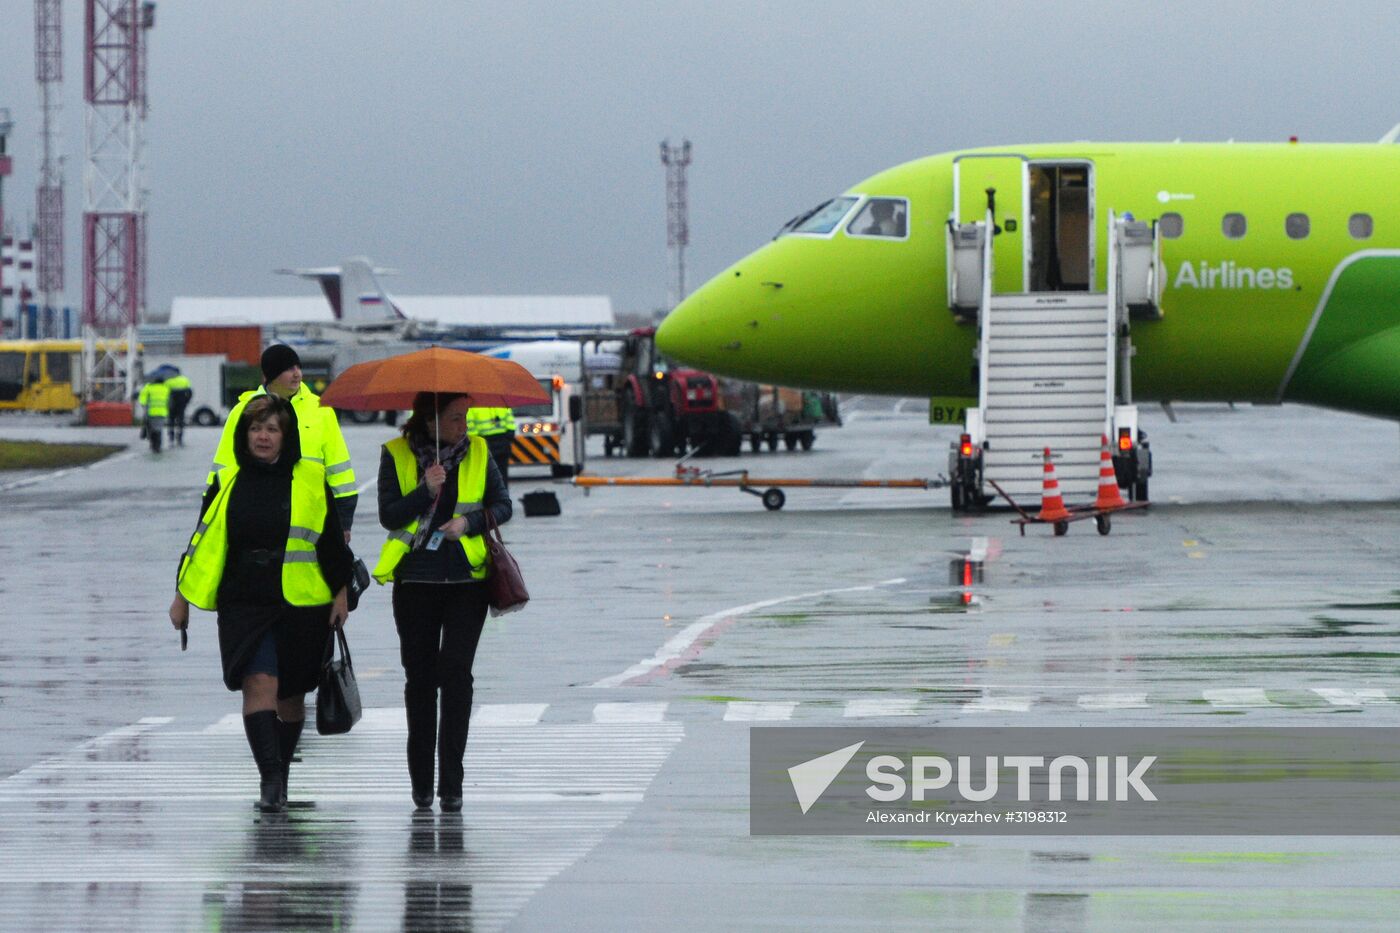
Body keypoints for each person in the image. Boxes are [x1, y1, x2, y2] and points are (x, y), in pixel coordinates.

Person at [169, 395, 352, 812]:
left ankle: (281, 771)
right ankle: (269, 779)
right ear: (243, 434)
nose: (263, 436)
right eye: (255, 428)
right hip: (244, 601)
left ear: (285, 436)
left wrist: (340, 592)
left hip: (302, 602)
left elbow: (330, 541)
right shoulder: (228, 480)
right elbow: (202, 539)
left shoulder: (311, 477)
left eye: (272, 429)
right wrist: (181, 595)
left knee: (290, 697)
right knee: (259, 684)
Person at [376, 392, 512, 812]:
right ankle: (421, 784)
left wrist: (468, 523)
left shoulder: (479, 452)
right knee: (420, 682)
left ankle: (452, 784)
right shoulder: (396, 454)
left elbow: (503, 506)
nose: (464, 426)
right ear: (429, 421)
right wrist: (424, 490)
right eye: (455, 418)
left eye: (466, 417)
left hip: (466, 583)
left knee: (456, 676)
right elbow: (388, 516)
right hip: (415, 581)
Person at [209, 344, 358, 543]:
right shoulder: (243, 411)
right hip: (256, 512)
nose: (297, 374)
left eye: (298, 367)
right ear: (270, 375)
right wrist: (210, 513)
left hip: (310, 515)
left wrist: (344, 521)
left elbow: (339, 469)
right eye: (288, 369)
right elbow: (224, 466)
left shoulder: (321, 410)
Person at [465, 405, 516, 489]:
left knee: (487, 475)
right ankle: (503, 496)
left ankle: (494, 497)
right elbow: (510, 425)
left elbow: (471, 428)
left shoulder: (473, 407)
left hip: (486, 444)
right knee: (501, 475)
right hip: (500, 443)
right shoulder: (502, 404)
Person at [137, 376, 171, 454]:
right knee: (159, 429)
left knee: (152, 429)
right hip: (162, 412)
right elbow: (169, 401)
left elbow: (142, 400)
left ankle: (153, 445)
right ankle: (158, 446)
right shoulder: (166, 389)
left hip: (151, 412)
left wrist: (145, 407)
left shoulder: (148, 388)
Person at [165, 371, 193, 447]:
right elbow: (190, 392)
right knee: (180, 421)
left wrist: (166, 403)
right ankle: (180, 439)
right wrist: (186, 401)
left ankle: (171, 438)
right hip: (181, 404)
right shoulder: (184, 380)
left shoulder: (168, 381)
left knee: (171, 421)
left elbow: (165, 394)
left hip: (172, 404)